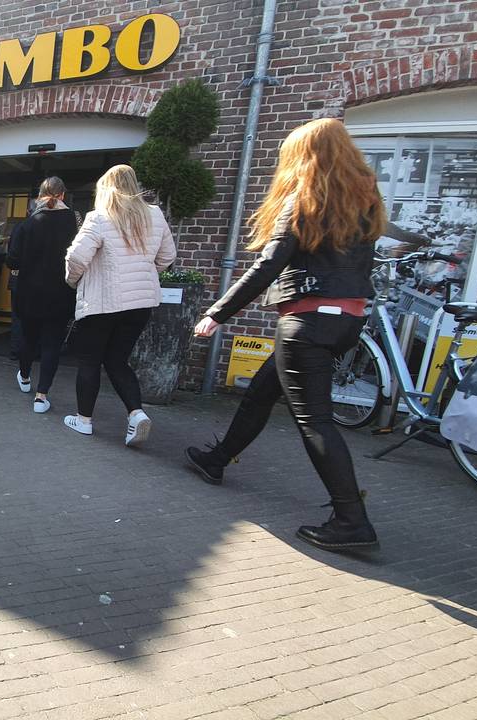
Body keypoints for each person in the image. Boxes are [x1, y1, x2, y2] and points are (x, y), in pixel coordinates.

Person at [187, 118, 386, 553]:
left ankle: (351, 519)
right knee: (262, 392)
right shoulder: (365, 202)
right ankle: (216, 459)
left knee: (315, 422)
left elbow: (269, 265)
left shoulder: (305, 199)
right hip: (346, 320)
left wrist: (218, 314)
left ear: (304, 157)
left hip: (306, 322)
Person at [61, 165, 175, 446]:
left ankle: (84, 420)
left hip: (103, 302)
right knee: (117, 360)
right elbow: (167, 257)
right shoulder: (155, 215)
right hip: (140, 304)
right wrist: (144, 274)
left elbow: (76, 258)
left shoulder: (99, 217)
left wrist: (73, 281)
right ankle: (136, 414)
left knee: (90, 360)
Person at [5, 177, 77, 413]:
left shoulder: (27, 224)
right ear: (63, 195)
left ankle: (25, 377)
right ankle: (41, 396)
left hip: (30, 292)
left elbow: (12, 261)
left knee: (29, 338)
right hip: (61, 293)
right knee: (52, 344)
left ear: (39, 196)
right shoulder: (75, 221)